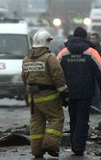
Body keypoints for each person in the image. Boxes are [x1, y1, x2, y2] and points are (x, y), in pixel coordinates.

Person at [57, 27, 101, 157]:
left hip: (69, 92)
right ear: (85, 37)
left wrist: (59, 90)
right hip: (86, 92)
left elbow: (56, 71)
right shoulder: (91, 52)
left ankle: (74, 144)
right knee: (82, 118)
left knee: (73, 118)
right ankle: (78, 147)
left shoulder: (63, 53)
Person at [21, 29, 68, 158]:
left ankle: (36, 151)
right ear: (46, 42)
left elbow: (24, 78)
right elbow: (58, 77)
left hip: (33, 99)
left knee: (37, 124)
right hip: (49, 97)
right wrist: (64, 93)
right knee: (56, 119)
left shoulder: (26, 59)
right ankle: (50, 145)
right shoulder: (49, 59)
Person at [88, 33, 101, 110]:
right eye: (91, 38)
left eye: (94, 38)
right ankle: (91, 107)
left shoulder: (100, 49)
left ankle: (96, 107)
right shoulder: (88, 49)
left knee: (97, 91)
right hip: (89, 73)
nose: (92, 40)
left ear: (97, 39)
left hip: (97, 73)